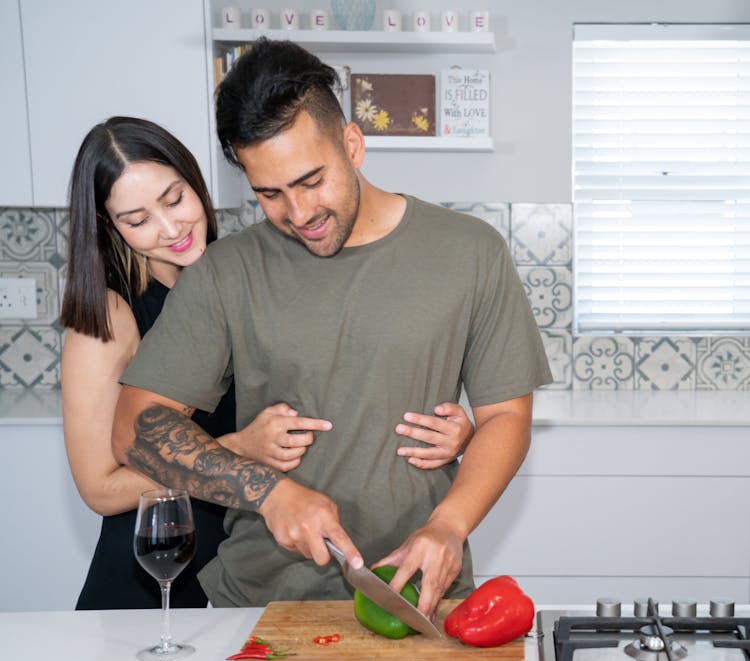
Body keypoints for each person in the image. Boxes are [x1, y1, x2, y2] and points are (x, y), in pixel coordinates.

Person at [112, 38, 552, 618]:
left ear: (352, 143)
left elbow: (505, 418)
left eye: (311, 180)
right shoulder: (227, 272)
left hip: (424, 593)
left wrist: (449, 525)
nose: (298, 214)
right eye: (269, 193)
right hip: (260, 605)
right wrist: (266, 492)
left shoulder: (470, 252)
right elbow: (135, 431)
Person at [61, 116, 473, 610]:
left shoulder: (235, 274)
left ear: (197, 181)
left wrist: (456, 433)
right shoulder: (106, 316)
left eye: (175, 199)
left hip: (224, 557)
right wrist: (240, 449)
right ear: (110, 226)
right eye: (137, 219)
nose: (170, 228)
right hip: (150, 571)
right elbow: (101, 491)